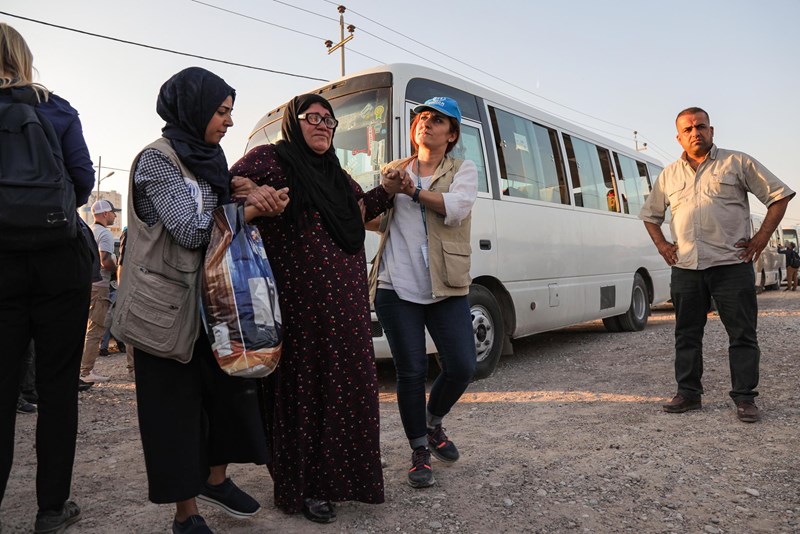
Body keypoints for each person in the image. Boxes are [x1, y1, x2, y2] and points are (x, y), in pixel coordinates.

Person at [118, 67, 281, 534]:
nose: (229, 122)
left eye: (230, 112)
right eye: (222, 111)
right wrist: (247, 209)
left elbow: (214, 202)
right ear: (193, 108)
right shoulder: (157, 160)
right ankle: (185, 513)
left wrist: (245, 189)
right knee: (174, 413)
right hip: (166, 311)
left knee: (230, 395)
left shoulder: (210, 157)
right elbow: (191, 230)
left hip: (214, 305)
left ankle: (216, 479)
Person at [230, 93, 387, 523]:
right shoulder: (269, 160)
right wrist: (252, 191)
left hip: (348, 308)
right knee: (306, 392)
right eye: (312, 117)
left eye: (329, 120)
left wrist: (389, 189)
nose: (322, 125)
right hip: (300, 309)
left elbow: (359, 212)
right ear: (292, 123)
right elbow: (226, 184)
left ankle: (342, 478)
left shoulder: (339, 176)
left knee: (346, 390)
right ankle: (303, 487)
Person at [640, 106, 794, 423]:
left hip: (731, 265)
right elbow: (650, 216)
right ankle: (688, 394)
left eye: (701, 126)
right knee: (686, 334)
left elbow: (779, 195)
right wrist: (663, 246)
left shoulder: (737, 162)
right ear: (679, 138)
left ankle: (745, 399)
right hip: (686, 268)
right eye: (688, 129)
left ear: (712, 131)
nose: (695, 132)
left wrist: (761, 239)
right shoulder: (669, 174)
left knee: (742, 335)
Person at [0, 22, 94, 533]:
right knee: (57, 387)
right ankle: (51, 508)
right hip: (59, 257)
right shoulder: (55, 107)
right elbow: (81, 180)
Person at [369, 97, 478, 488]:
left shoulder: (463, 169)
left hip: (446, 284)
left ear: (451, 135)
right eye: (422, 117)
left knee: (463, 365)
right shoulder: (393, 170)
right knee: (410, 372)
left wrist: (413, 192)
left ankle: (433, 422)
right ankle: (419, 451)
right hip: (395, 286)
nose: (426, 123)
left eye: (437, 120)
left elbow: (457, 208)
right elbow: (375, 219)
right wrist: (379, 194)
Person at [78, 199, 120, 384]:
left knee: (86, 328)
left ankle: (81, 369)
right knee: (96, 329)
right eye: (113, 212)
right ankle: (86, 372)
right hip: (100, 285)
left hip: (86, 285)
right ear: (105, 214)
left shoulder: (88, 230)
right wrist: (116, 269)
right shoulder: (105, 234)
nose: (115, 215)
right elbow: (105, 260)